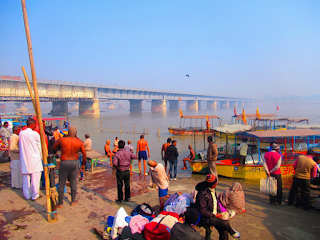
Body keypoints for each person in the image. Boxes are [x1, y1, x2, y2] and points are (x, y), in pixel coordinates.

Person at [195, 174, 240, 240]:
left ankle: (229, 231)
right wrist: (214, 215)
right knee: (225, 223)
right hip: (206, 218)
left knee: (224, 230)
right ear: (213, 184)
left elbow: (216, 202)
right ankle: (232, 231)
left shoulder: (212, 190)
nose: (217, 183)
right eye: (216, 182)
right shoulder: (202, 194)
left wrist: (219, 212)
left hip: (214, 215)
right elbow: (202, 211)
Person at [53, 126, 86, 208]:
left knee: (61, 182)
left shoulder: (62, 140)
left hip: (64, 162)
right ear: (76, 133)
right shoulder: (79, 142)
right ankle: (73, 201)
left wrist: (57, 151)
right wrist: (83, 164)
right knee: (73, 181)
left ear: (68, 132)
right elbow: (84, 154)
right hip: (74, 162)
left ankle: (60, 203)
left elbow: (54, 147)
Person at [19, 118, 43, 200]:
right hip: (35, 158)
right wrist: (41, 156)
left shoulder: (21, 133)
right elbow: (39, 146)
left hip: (25, 158)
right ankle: (35, 195)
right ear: (32, 125)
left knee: (26, 179)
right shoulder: (35, 134)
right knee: (35, 179)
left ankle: (27, 195)